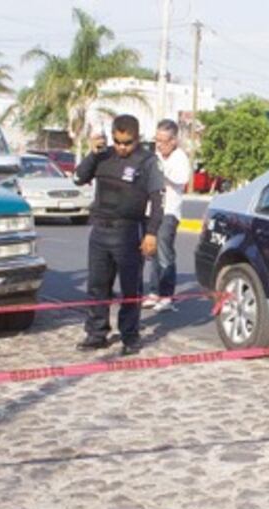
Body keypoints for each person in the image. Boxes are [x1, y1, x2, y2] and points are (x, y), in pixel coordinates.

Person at [73, 114, 164, 356]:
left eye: (128, 143)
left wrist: (152, 233)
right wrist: (93, 154)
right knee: (97, 285)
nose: (122, 147)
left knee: (130, 288)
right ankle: (96, 333)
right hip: (100, 230)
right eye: (118, 142)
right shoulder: (103, 156)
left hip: (129, 231)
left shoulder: (147, 161)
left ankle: (130, 336)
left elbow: (158, 200)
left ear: (137, 138)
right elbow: (78, 178)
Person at [144, 118, 190, 312]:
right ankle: (154, 292)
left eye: (163, 141)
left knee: (164, 254)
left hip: (169, 212)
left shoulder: (179, 158)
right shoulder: (154, 156)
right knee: (152, 252)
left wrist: (161, 171)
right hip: (152, 211)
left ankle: (166, 295)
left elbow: (181, 179)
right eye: (157, 140)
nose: (159, 145)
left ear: (173, 141)